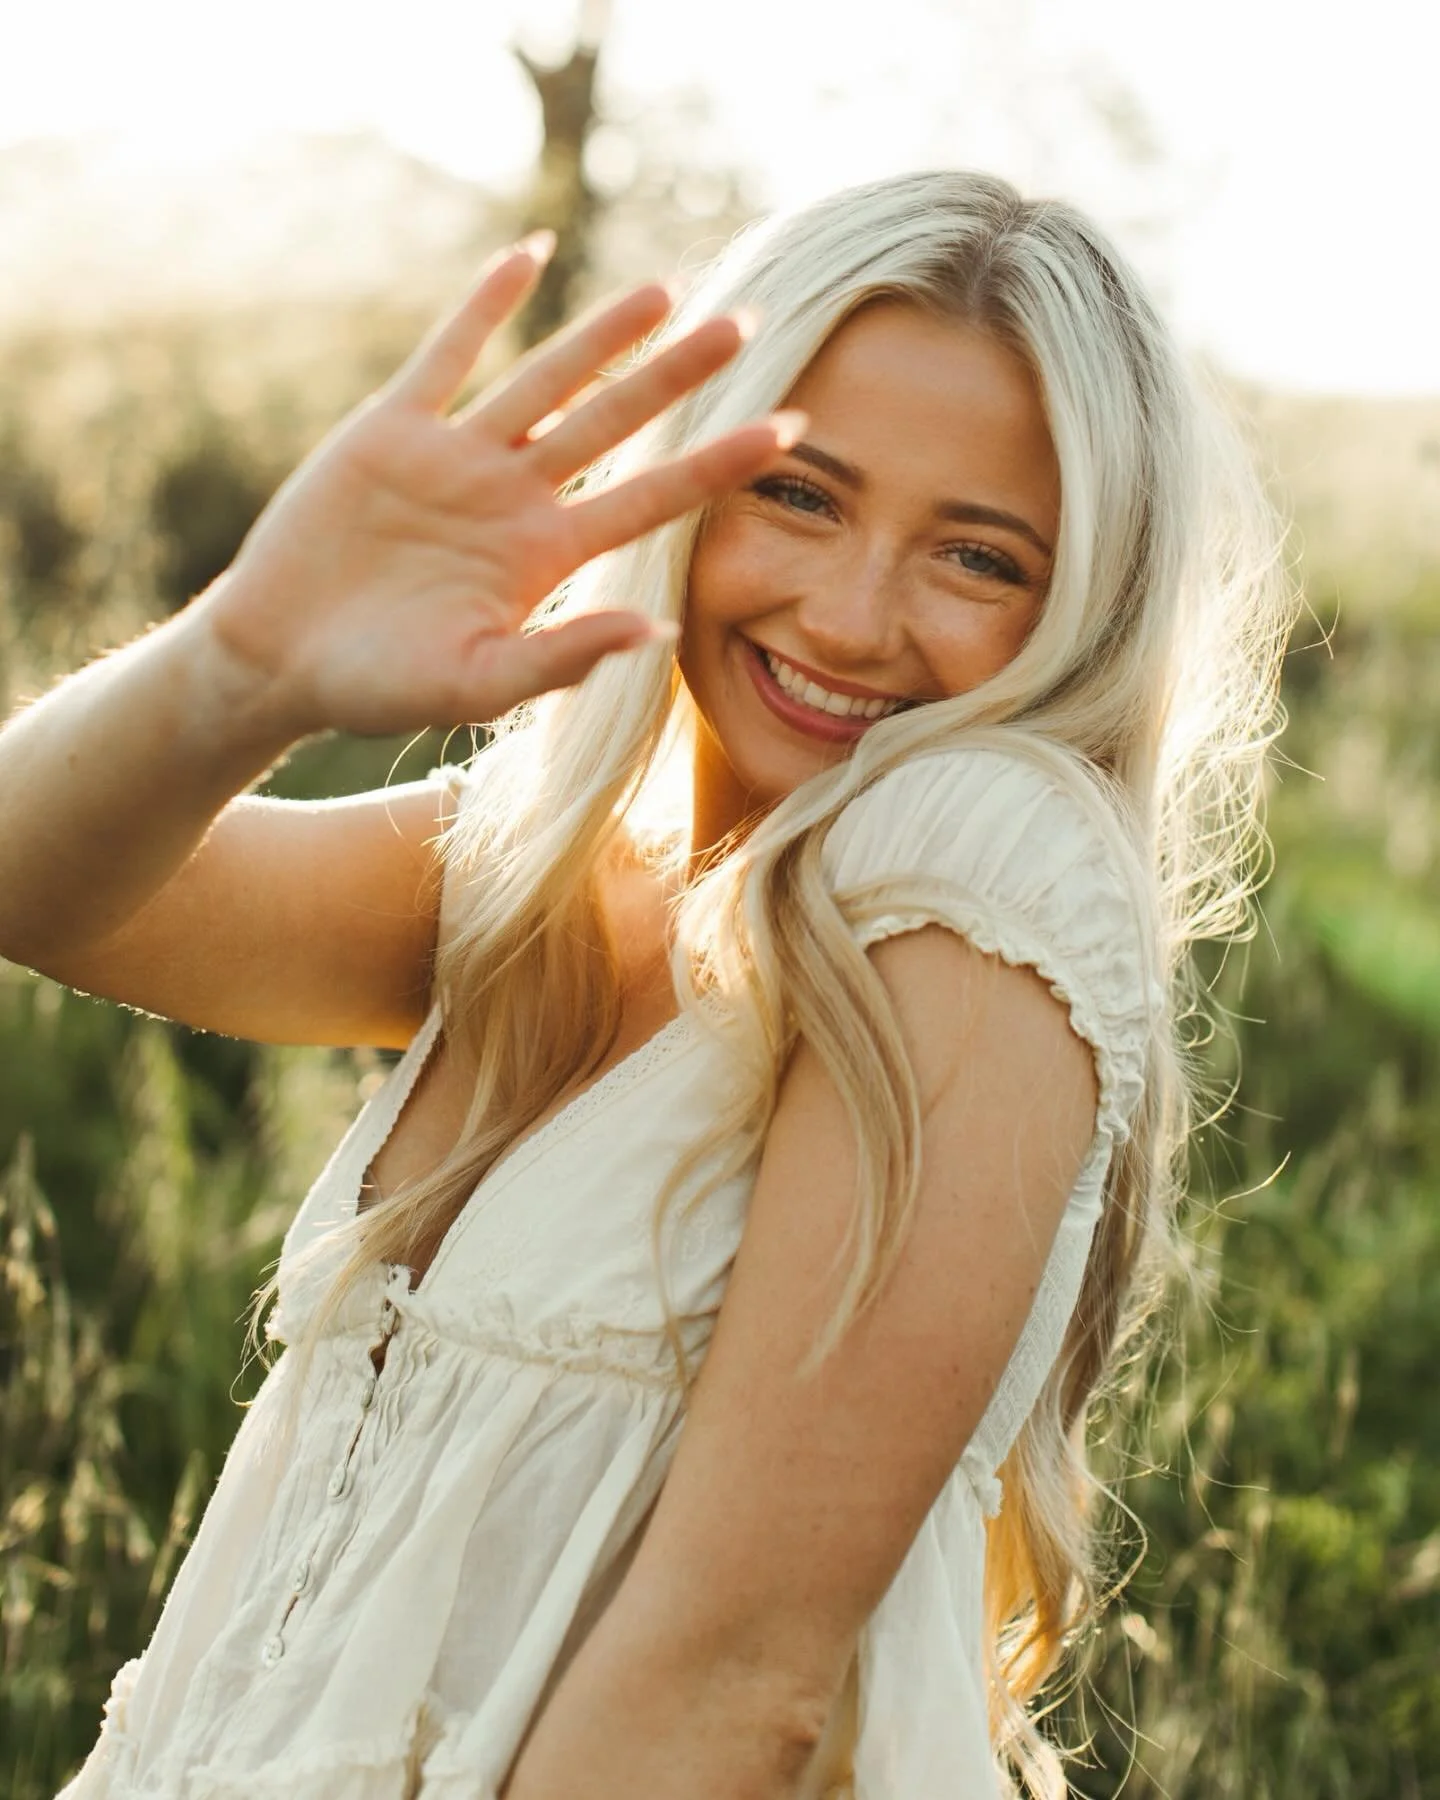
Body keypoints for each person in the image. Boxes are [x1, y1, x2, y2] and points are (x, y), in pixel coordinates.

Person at [0, 170, 1292, 1799]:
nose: (853, 617)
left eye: (978, 558)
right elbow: (37, 885)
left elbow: (733, 1685)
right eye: (802, 496)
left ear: (1086, 609)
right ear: (684, 486)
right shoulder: (547, 866)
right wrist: (242, 660)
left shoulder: (987, 860)